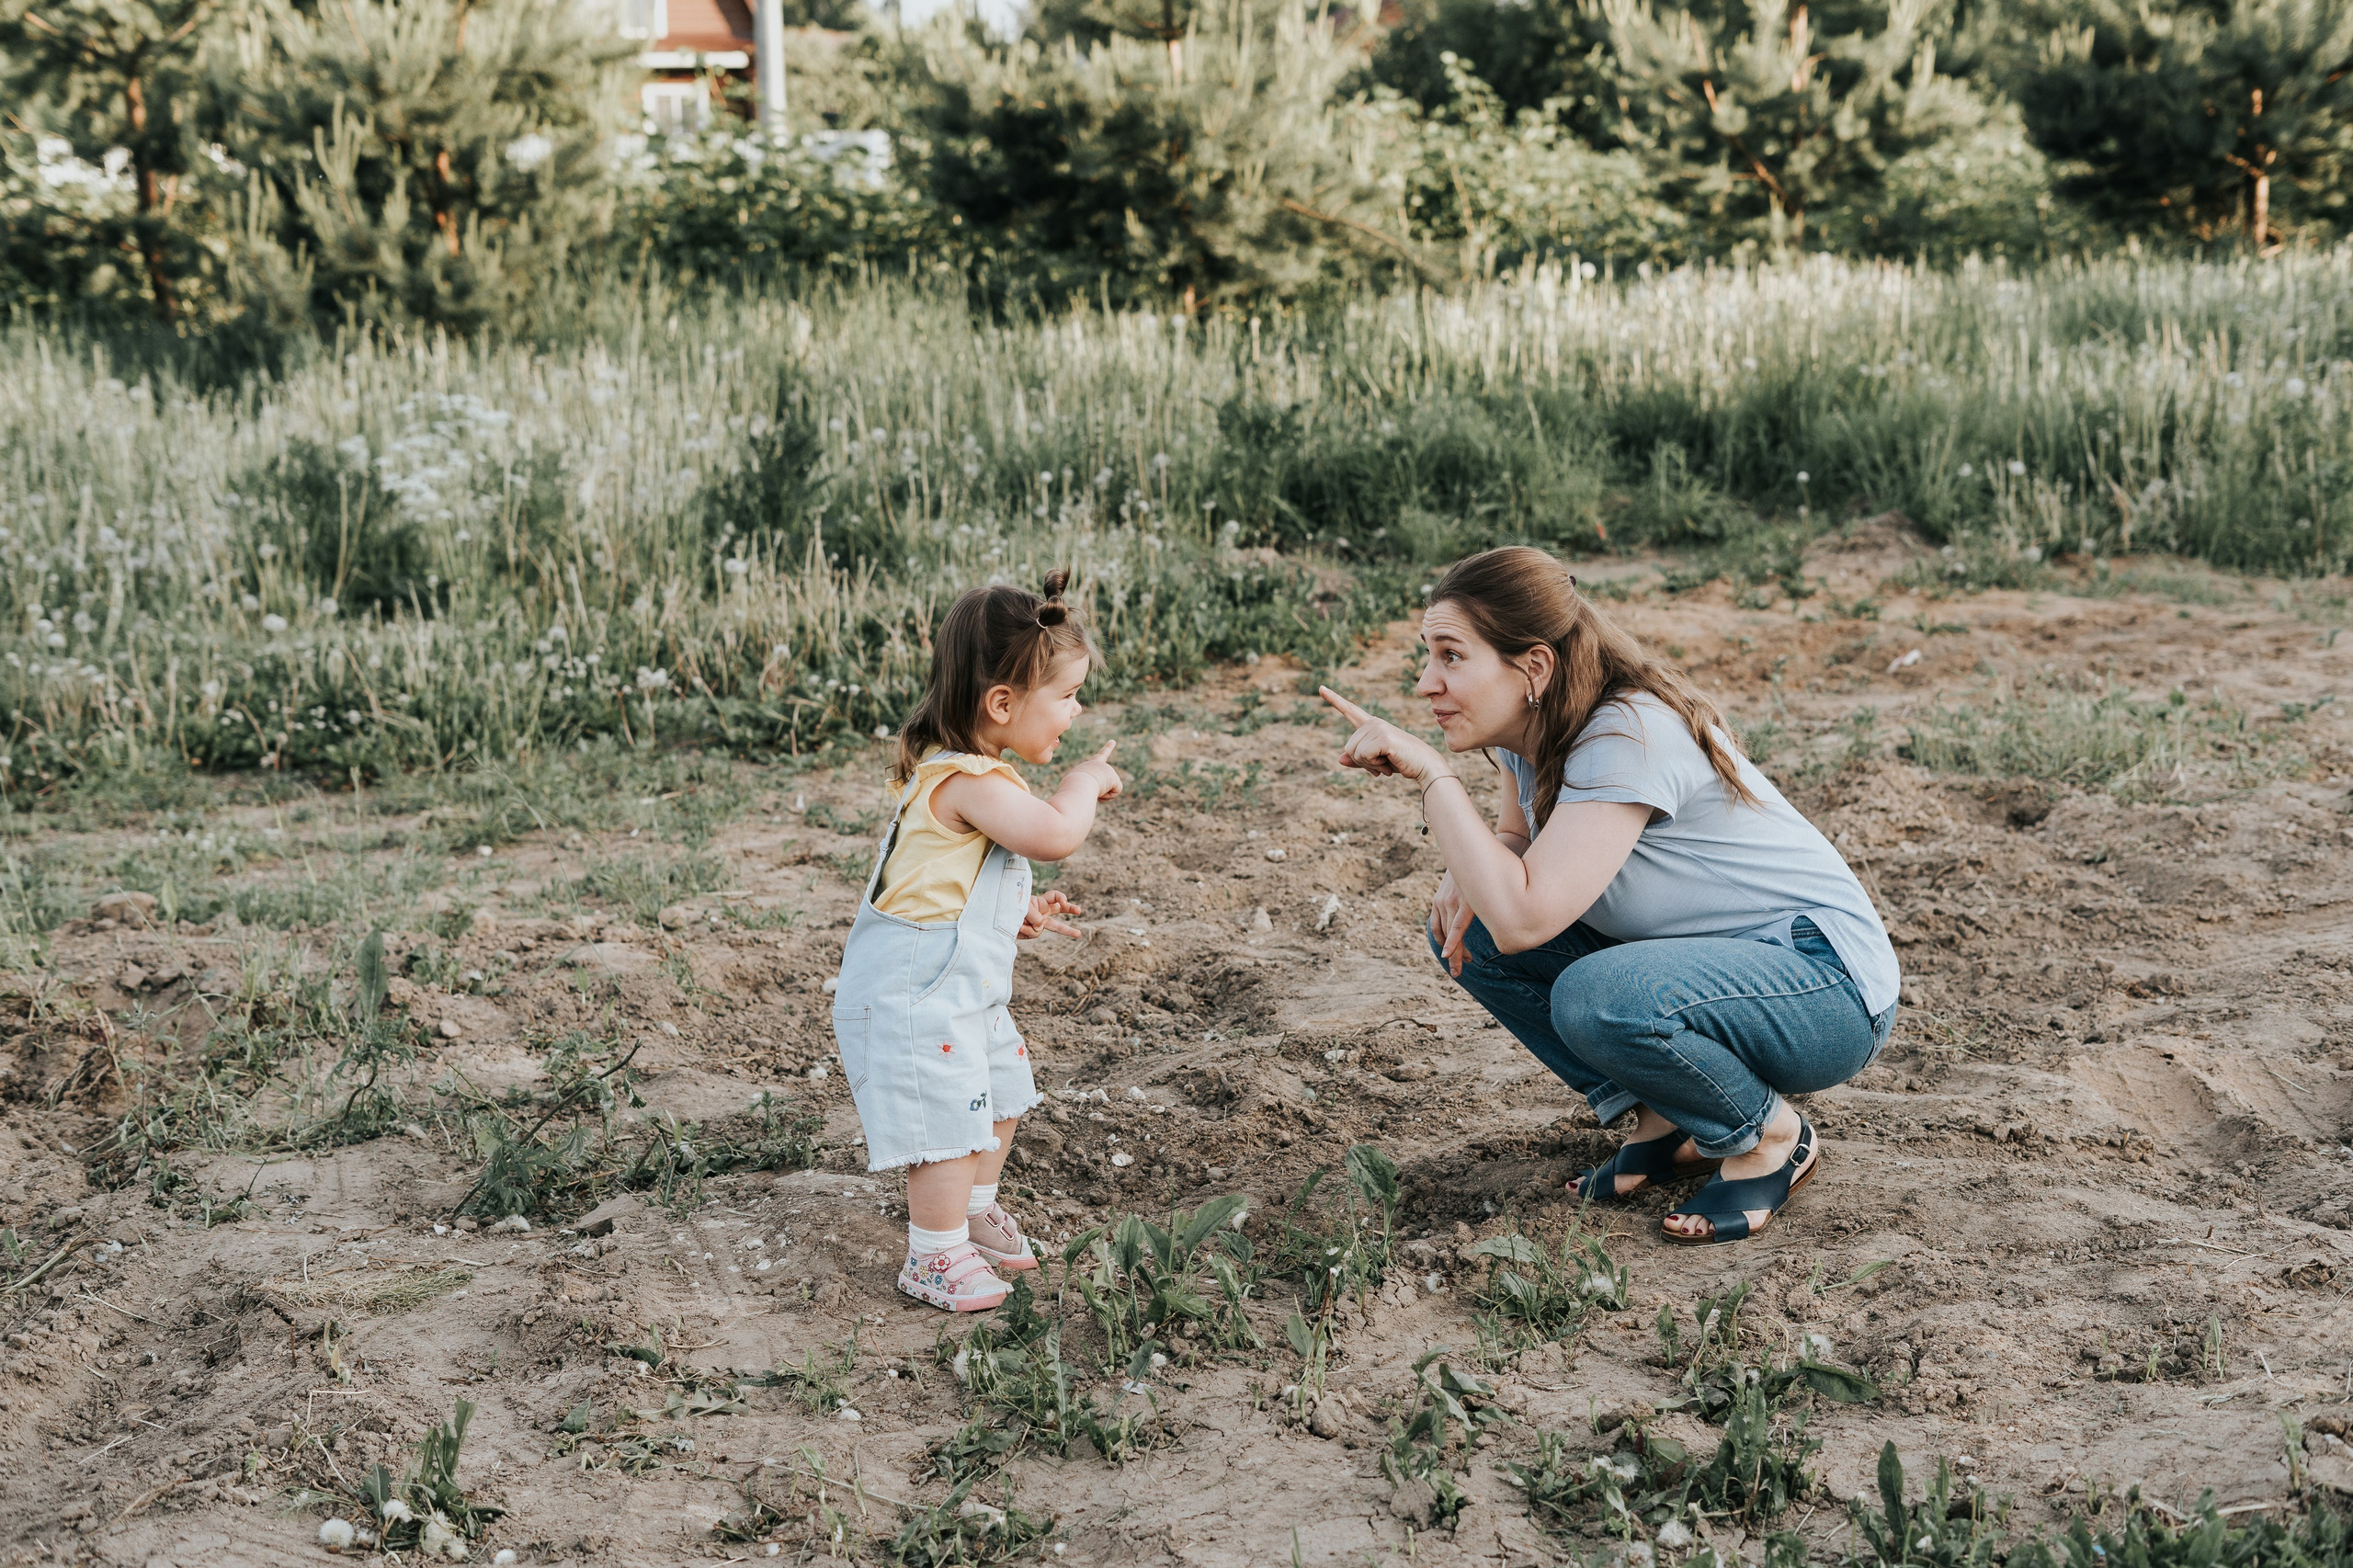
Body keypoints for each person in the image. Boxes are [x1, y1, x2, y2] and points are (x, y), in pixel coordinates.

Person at [1318, 546, 1898, 1244]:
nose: (1425, 683)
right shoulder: (1526, 733)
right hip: (1715, 971)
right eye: (1428, 656)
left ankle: (1767, 1137)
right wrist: (1473, 865)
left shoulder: (1626, 732)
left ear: (1533, 667)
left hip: (1824, 990)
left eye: (1450, 656)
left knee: (1594, 995)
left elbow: (1526, 917)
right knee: (1471, 932)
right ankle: (1671, 1113)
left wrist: (1434, 777)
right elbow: (1514, 840)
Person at [831, 570, 1122, 1310]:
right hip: (914, 994)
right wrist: (1085, 781)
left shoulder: (980, 778)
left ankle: (972, 1209)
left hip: (958, 986)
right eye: (1065, 696)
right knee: (947, 1121)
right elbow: (1055, 834)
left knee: (1002, 1092)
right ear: (1001, 703)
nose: (1076, 710)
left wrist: (1014, 911)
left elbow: (949, 885)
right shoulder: (966, 781)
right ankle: (933, 1254)